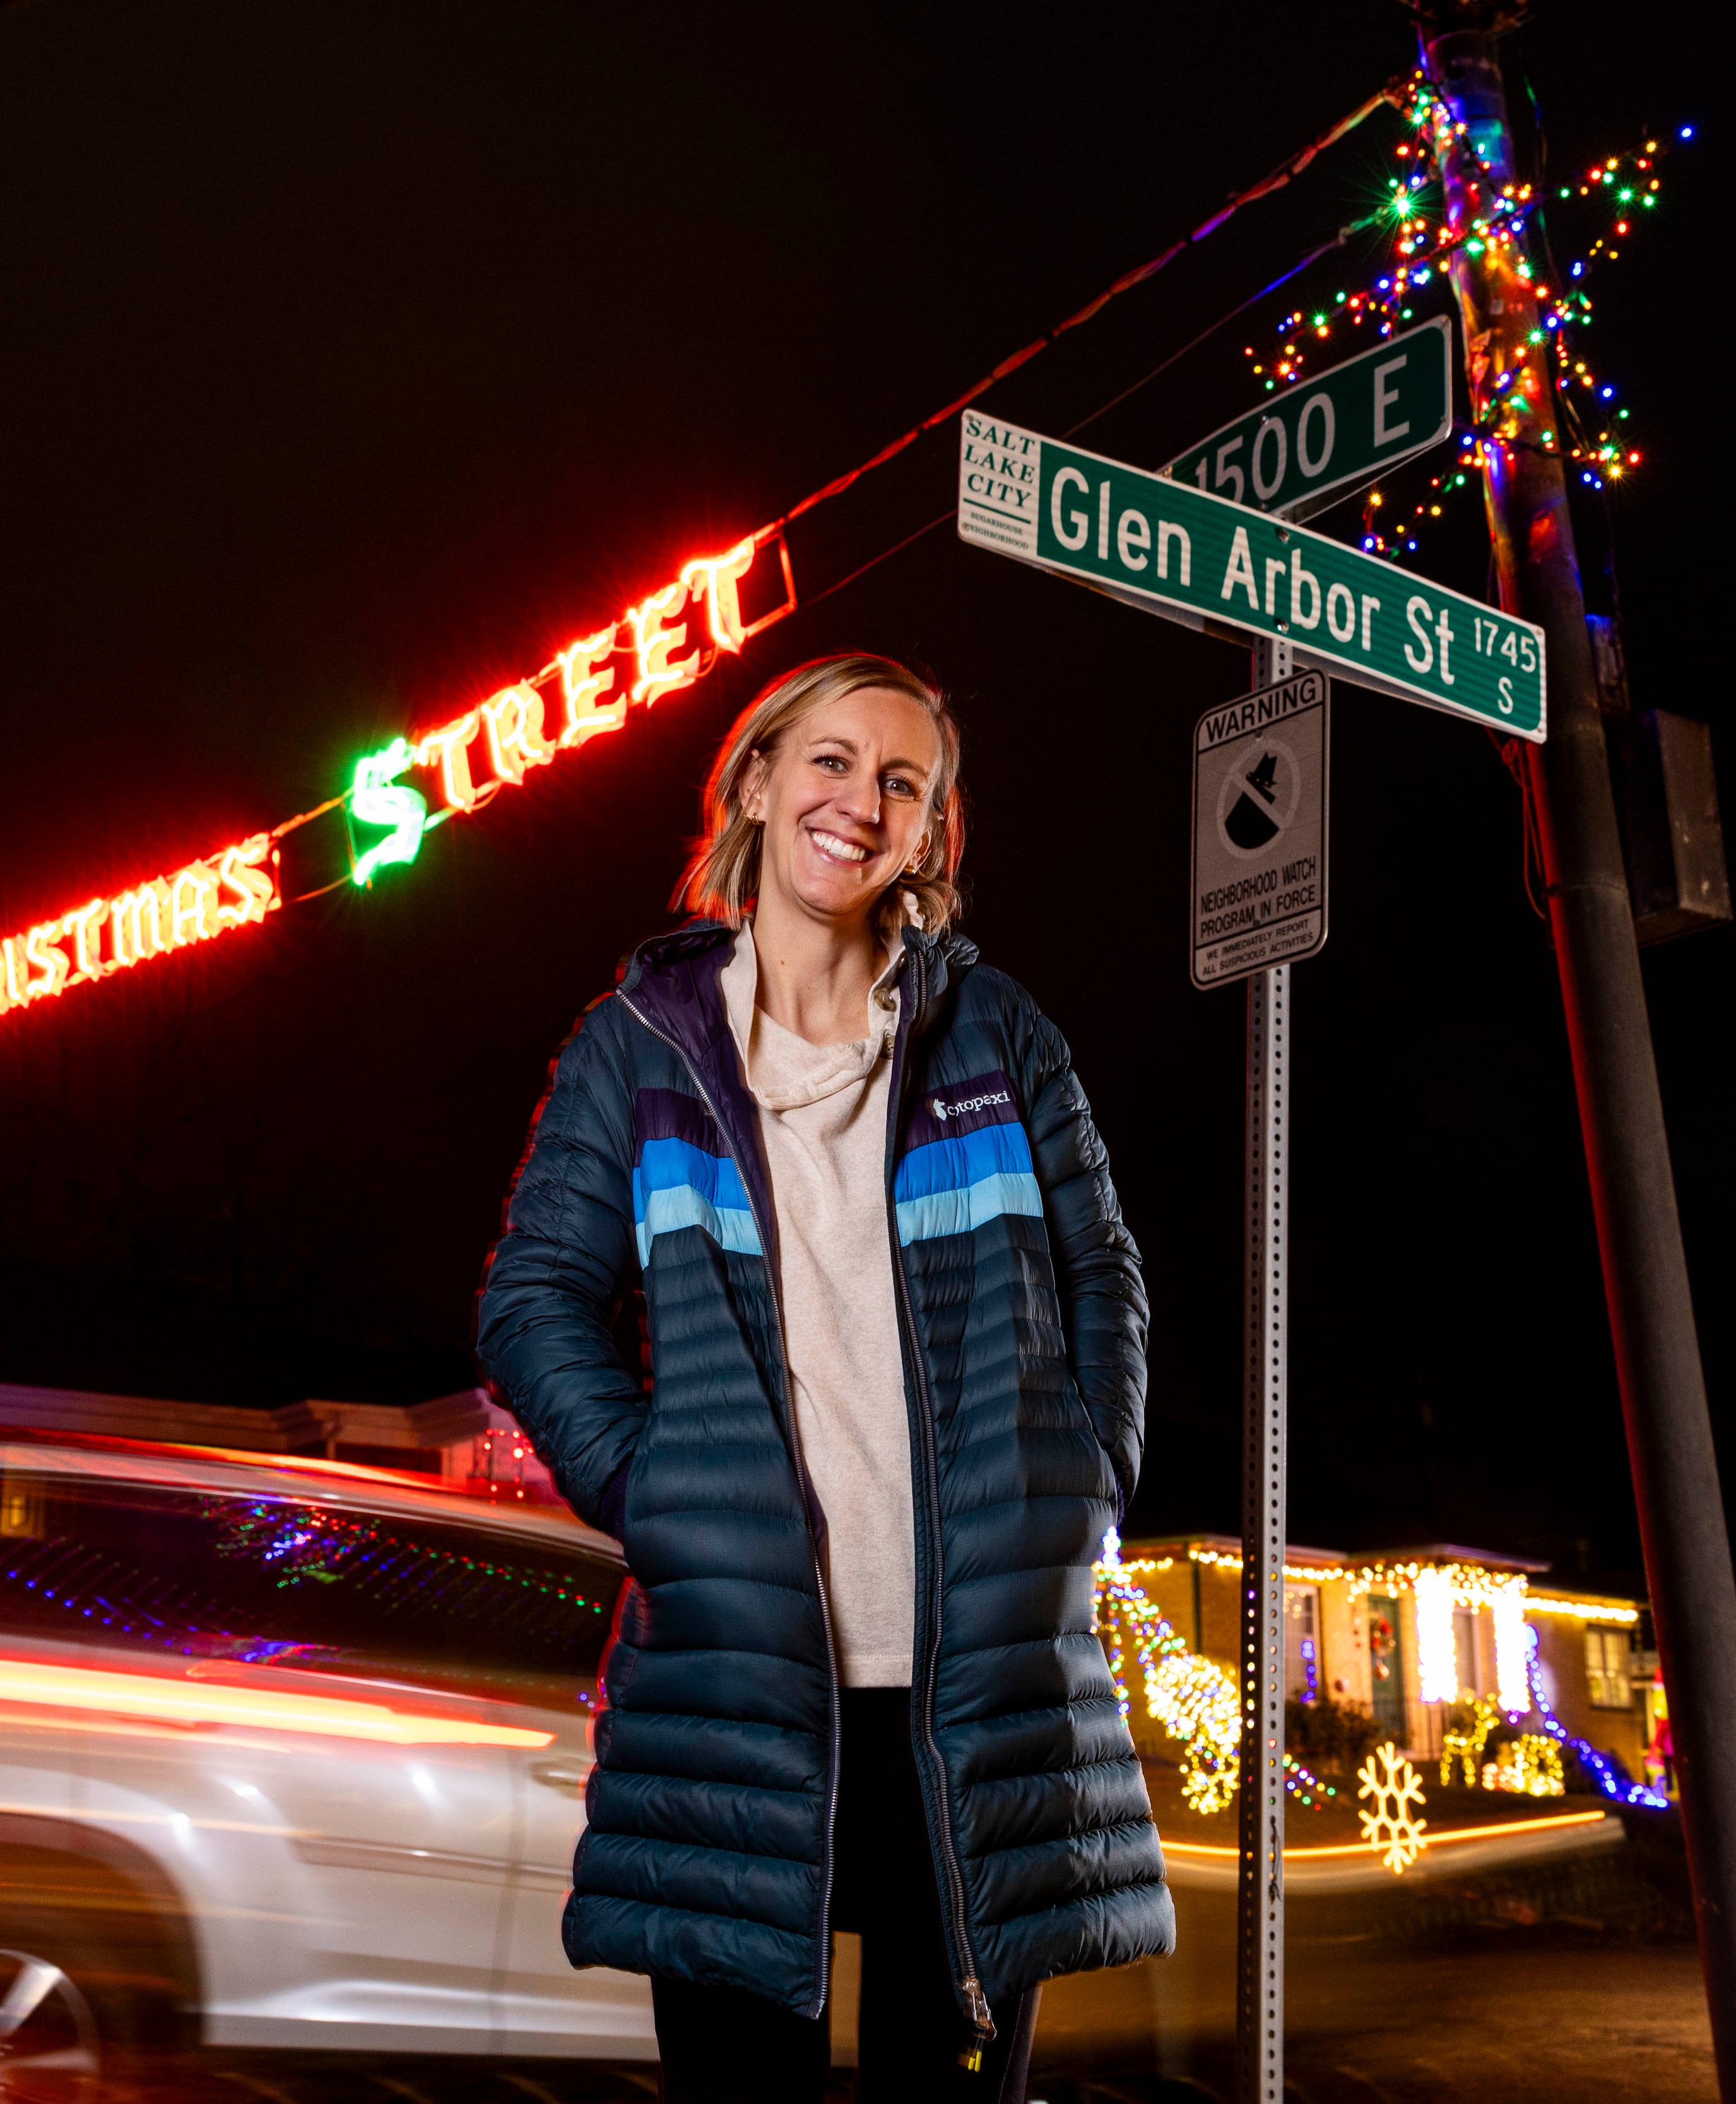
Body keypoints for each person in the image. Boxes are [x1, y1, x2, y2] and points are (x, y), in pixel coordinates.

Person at [478, 654, 1169, 2101]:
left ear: (929, 834)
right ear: (755, 782)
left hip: (976, 1694)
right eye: (833, 761)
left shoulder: (1000, 1033)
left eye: (902, 781)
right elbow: (532, 1302)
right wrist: (657, 1491)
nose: (862, 801)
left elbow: (1105, 1268)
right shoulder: (637, 1052)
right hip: (738, 1689)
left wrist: (1086, 1476)